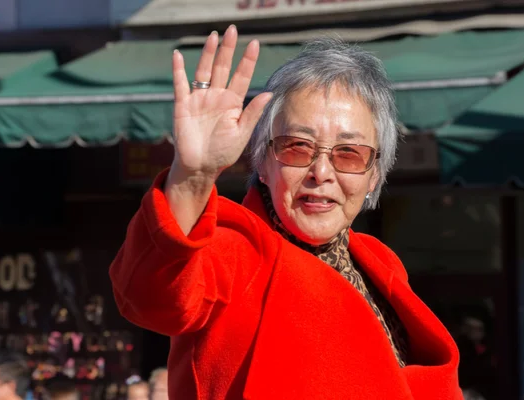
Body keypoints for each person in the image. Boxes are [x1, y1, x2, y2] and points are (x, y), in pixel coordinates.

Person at [110, 24, 463, 399]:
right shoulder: (236, 251)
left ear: (374, 174)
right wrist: (192, 177)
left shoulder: (380, 263)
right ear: (263, 163)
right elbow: (154, 298)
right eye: (297, 147)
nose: (321, 173)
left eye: (349, 153)